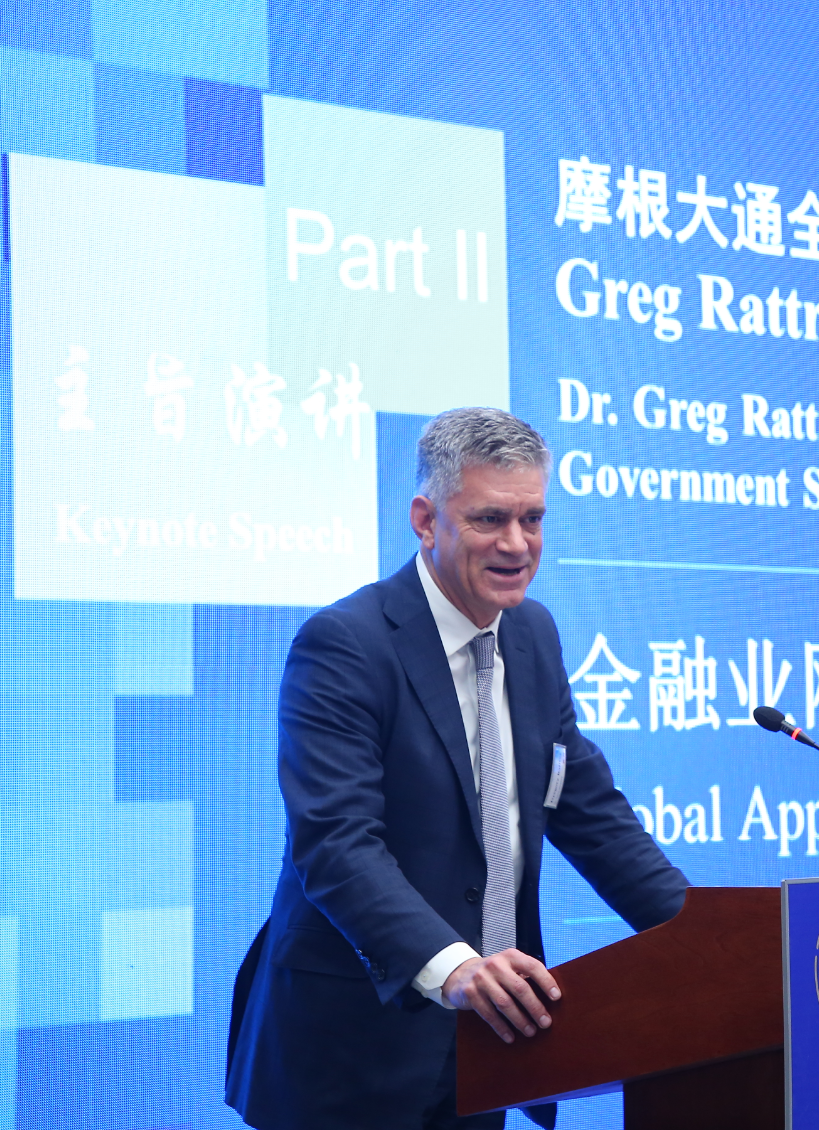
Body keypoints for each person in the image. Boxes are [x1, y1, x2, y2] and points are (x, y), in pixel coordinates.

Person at [226, 407, 688, 1130]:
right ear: (425, 520)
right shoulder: (346, 644)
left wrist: (718, 939)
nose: (516, 544)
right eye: (489, 520)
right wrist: (456, 966)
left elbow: (589, 812)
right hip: (352, 1049)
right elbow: (336, 844)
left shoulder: (532, 633)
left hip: (486, 1042)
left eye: (532, 519)